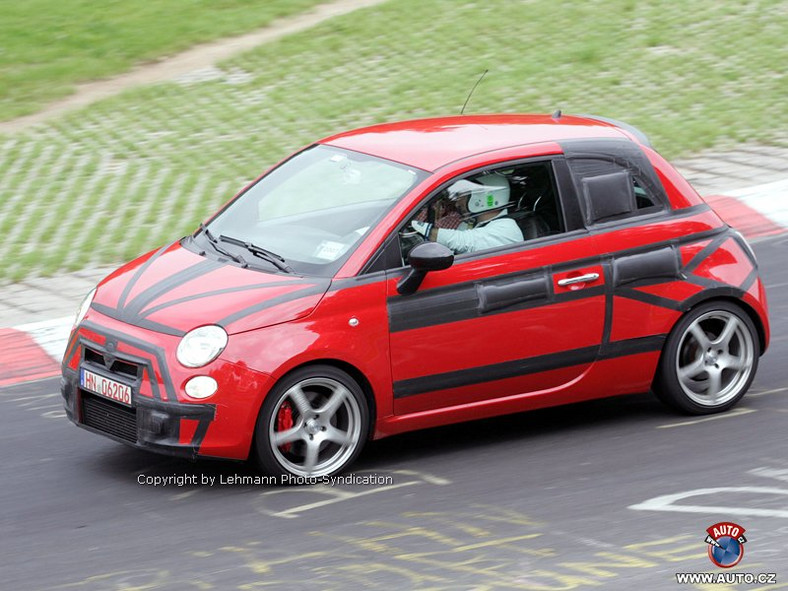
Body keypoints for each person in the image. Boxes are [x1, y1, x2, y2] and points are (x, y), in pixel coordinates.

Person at [411, 173, 523, 254]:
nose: (458, 203)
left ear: (481, 197)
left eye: (463, 196)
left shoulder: (507, 229)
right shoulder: (470, 224)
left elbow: (460, 241)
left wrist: (413, 226)